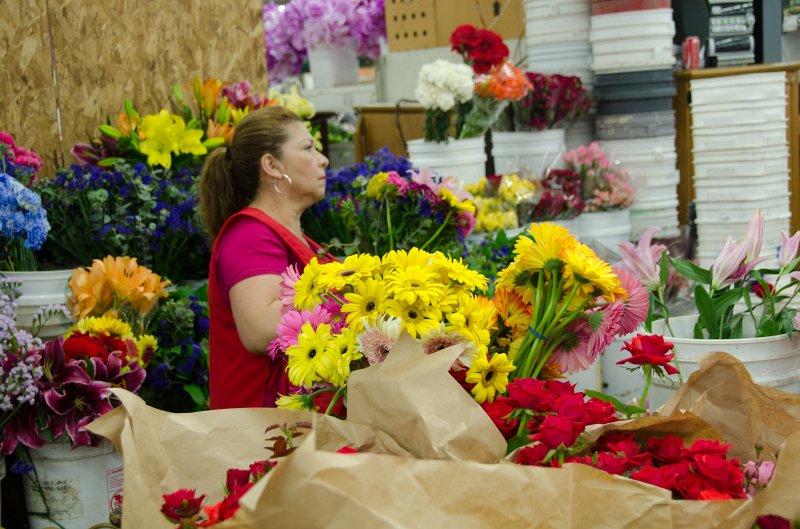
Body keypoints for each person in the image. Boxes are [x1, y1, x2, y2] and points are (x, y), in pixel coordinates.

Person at [199, 106, 334, 409]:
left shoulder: (282, 234)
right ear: (272, 165)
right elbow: (259, 331)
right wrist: (347, 292)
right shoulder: (250, 236)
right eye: (308, 148)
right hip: (266, 427)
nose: (323, 159)